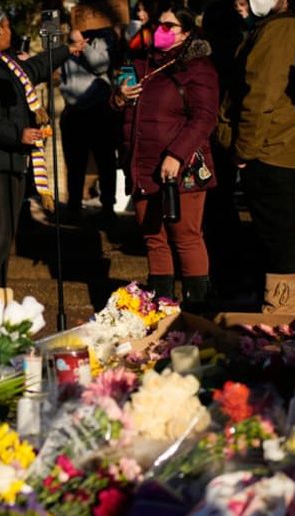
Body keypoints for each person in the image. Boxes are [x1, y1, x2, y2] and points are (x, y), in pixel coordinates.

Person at [0, 3, 84, 332]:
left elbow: (32, 69)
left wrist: (68, 49)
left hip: (7, 157)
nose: (12, 31)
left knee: (5, 234)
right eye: (8, 26)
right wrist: (17, 132)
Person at [216, 0, 295, 321]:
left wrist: (243, 149)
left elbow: (260, 94)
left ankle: (281, 312)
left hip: (269, 146)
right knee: (285, 230)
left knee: (276, 233)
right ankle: (292, 306)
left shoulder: (280, 31)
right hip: (282, 143)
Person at [113, 2, 218, 307]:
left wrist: (176, 154)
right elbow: (125, 111)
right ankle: (162, 308)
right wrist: (119, 97)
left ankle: (198, 309)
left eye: (169, 26)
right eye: (159, 24)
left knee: (185, 236)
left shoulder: (198, 67)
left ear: (186, 32)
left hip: (180, 168)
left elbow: (205, 117)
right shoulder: (143, 64)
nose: (161, 30)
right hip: (142, 163)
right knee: (154, 238)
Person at [59, 2, 120, 223]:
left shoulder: (105, 36)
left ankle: (108, 206)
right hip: (73, 110)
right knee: (74, 162)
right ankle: (74, 205)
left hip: (99, 109)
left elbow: (101, 65)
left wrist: (81, 44)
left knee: (105, 160)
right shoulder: (66, 35)